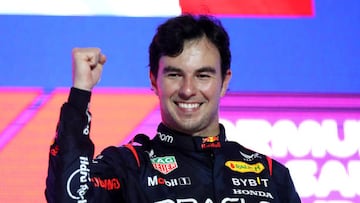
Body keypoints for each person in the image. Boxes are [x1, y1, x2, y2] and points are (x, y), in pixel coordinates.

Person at [45, 14, 301, 203]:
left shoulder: (270, 175)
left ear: (225, 82)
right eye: (175, 75)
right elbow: (68, 197)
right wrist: (80, 93)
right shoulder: (129, 166)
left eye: (203, 75)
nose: (188, 89)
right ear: (154, 81)